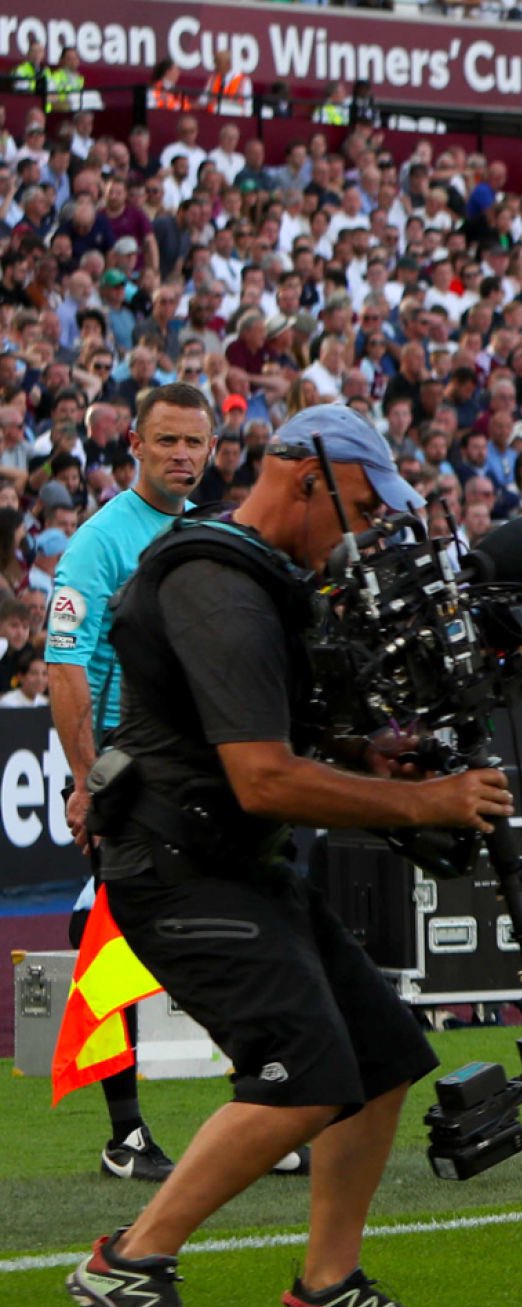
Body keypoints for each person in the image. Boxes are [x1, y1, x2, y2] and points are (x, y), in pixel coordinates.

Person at [67, 406, 511, 1307]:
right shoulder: (216, 586)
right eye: (361, 507)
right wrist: (423, 801)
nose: (364, 534)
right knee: (303, 1074)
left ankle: (326, 1289)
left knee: (382, 1056)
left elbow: (280, 743)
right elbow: (262, 777)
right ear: (309, 478)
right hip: (177, 866)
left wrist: (370, 756)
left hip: (235, 859)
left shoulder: (257, 578)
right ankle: (129, 1261)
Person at [45, 384, 313, 1182]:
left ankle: (262, 1113)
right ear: (134, 444)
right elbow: (65, 669)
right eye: (166, 440)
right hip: (131, 770)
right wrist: (88, 782)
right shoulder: (98, 543)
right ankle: (125, 1134)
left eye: (195, 442)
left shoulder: (213, 535)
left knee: (243, 932)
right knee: (118, 946)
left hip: (209, 765)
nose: (183, 455)